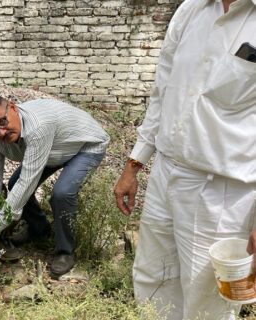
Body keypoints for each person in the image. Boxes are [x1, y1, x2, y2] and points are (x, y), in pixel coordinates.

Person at [113, 1, 256, 319]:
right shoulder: (191, 9)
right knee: (153, 279)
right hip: (166, 171)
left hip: (223, 189)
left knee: (207, 300)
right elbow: (163, 91)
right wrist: (135, 164)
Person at [0, 95, 109, 278]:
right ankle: (39, 229)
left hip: (85, 145)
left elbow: (26, 183)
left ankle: (65, 251)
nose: (2, 132)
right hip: (53, 149)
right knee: (14, 183)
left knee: (62, 193)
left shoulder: (38, 127)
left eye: (3, 121)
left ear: (13, 107)